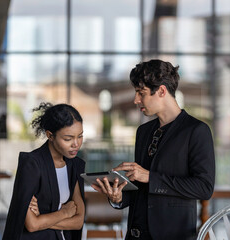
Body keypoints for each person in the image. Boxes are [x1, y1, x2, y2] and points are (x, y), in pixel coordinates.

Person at [92, 59, 215, 240]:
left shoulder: (196, 131)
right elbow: (141, 188)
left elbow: (204, 188)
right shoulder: (143, 132)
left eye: (141, 93)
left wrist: (149, 176)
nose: (136, 100)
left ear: (162, 91)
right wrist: (118, 197)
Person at [3, 103, 86, 240]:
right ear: (50, 135)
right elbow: (32, 225)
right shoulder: (32, 164)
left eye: (80, 136)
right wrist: (65, 212)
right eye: (68, 138)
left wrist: (43, 219)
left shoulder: (75, 165)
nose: (76, 144)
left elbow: (78, 222)